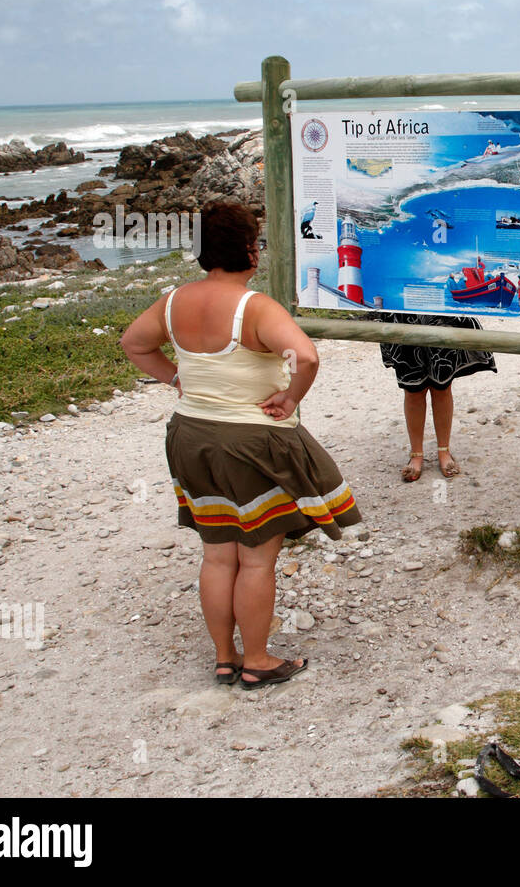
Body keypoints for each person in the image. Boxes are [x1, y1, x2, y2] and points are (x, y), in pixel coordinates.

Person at [119, 201, 360, 689]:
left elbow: (134, 343)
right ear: (250, 250)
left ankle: (225, 658)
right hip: (249, 442)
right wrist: (289, 398)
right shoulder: (255, 307)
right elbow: (306, 357)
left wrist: (178, 379)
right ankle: (257, 660)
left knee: (216, 555)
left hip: (190, 436)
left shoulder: (173, 302)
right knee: (255, 558)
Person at [372, 305, 496, 481]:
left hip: (440, 310)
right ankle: (416, 454)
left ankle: (444, 451)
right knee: (412, 388)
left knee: (442, 386)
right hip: (402, 310)